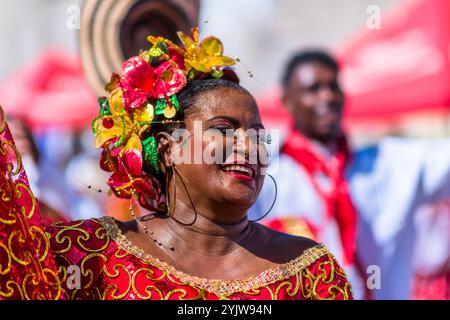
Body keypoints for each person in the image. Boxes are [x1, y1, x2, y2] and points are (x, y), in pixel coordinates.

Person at [0, 29, 353, 300]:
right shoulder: (83, 254)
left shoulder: (310, 271)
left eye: (258, 134)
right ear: (169, 149)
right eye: (224, 130)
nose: (249, 146)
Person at [250, 50, 450, 299]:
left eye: (333, 86)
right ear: (288, 101)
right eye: (313, 89)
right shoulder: (265, 173)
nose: (328, 96)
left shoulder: (390, 163)